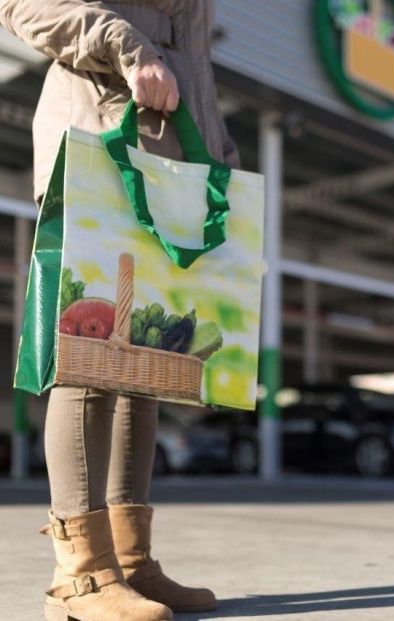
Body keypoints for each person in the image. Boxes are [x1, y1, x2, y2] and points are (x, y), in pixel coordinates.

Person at [0, 2, 239, 620]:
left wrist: (218, 152)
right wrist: (133, 50)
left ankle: (129, 562)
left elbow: (195, 64)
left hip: (175, 166)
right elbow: (25, 6)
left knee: (147, 368)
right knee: (91, 355)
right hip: (101, 144)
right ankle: (79, 577)